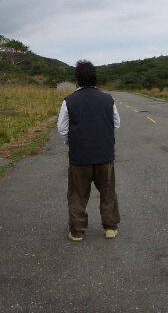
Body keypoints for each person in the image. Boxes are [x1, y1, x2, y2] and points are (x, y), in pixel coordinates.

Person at [57, 60, 121, 241]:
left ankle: (77, 231)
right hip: (104, 155)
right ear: (95, 79)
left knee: (77, 194)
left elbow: (62, 129)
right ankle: (110, 228)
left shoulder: (68, 101)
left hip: (79, 158)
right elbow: (116, 123)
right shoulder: (108, 99)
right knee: (108, 191)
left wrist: (73, 143)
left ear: (77, 80)